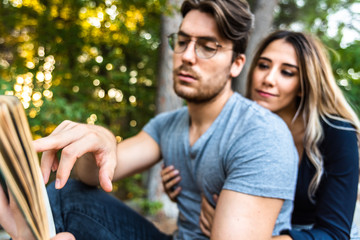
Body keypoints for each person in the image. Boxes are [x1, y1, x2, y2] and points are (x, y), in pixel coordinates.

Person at [0, 1, 299, 239]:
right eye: (182, 41)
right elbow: (94, 176)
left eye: (208, 46)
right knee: (67, 196)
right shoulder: (168, 125)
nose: (187, 56)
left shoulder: (260, 133)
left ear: (236, 64)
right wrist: (100, 141)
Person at [161, 30, 360, 239]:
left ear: (303, 85)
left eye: (287, 72)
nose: (268, 79)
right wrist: (183, 185)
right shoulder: (239, 125)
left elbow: (335, 233)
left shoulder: (338, 133)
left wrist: (242, 233)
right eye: (263, 65)